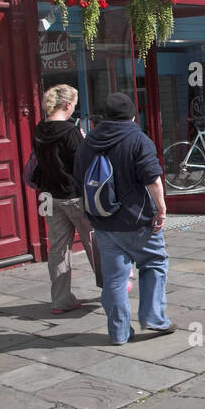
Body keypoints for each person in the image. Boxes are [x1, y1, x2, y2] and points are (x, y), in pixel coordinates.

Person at [74, 92, 174, 344]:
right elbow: (152, 179)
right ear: (132, 114)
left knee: (114, 279)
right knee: (154, 263)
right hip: (137, 221)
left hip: (103, 222)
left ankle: (118, 333)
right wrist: (161, 209)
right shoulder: (137, 139)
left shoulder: (87, 142)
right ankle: (153, 317)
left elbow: (77, 180)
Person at [33, 84, 103, 313]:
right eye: (74, 104)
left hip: (50, 196)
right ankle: (111, 289)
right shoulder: (70, 131)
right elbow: (83, 165)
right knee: (94, 242)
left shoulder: (39, 129)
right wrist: (83, 141)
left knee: (58, 249)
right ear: (68, 104)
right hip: (74, 196)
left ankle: (61, 300)